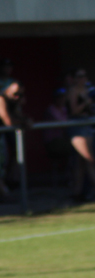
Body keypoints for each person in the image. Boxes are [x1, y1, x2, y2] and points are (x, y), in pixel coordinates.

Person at [65, 68, 95, 201]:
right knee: (89, 160)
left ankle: (78, 192)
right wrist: (86, 103)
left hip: (86, 125)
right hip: (78, 126)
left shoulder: (87, 90)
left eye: (84, 76)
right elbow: (73, 111)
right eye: (79, 76)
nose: (82, 78)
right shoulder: (73, 91)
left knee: (81, 162)